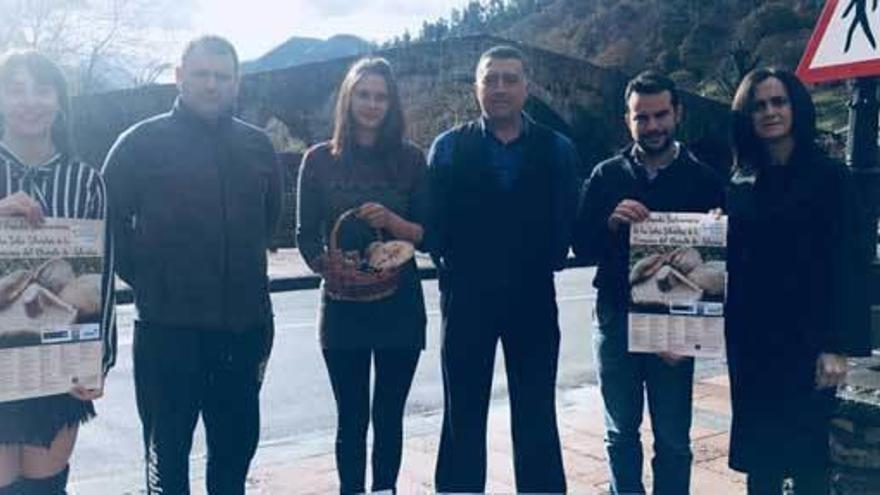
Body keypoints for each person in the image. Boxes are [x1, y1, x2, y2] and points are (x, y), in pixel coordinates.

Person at [102, 36, 281, 494]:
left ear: (236, 82)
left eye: (222, 77)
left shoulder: (259, 147)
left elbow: (268, 224)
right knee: (167, 461)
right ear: (179, 76)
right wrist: (149, 279)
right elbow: (106, 225)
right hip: (168, 332)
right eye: (201, 74)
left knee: (234, 455)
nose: (211, 85)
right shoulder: (139, 143)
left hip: (243, 330)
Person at [427, 45, 579, 493]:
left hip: (532, 293)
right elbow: (435, 227)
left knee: (535, 408)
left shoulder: (557, 150)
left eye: (510, 78)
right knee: (462, 411)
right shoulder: (448, 148)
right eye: (490, 79)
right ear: (476, 86)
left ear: (526, 87)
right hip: (466, 294)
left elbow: (565, 220)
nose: (500, 88)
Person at [573, 71, 724, 495]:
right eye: (643, 117)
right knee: (620, 432)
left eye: (661, 115)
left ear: (677, 113)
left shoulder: (706, 180)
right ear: (628, 121)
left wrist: (692, 332)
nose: (653, 125)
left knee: (674, 439)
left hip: (676, 322)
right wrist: (609, 222)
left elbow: (719, 270)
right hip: (616, 314)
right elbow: (581, 247)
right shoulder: (605, 176)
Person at [726, 68, 870, 495]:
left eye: (778, 102)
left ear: (796, 107)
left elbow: (851, 262)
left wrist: (838, 344)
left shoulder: (830, 177)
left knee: (809, 461)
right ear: (745, 116)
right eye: (759, 105)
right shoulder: (739, 181)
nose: (770, 112)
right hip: (752, 342)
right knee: (761, 459)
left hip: (809, 340)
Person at [296, 57, 428, 494]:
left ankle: (385, 488)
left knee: (388, 415)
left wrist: (392, 221)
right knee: (351, 417)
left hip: (400, 305)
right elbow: (305, 237)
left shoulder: (411, 159)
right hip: (342, 306)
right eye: (363, 95)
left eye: (381, 96)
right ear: (347, 99)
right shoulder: (317, 160)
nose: (372, 104)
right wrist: (329, 268)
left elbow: (429, 235)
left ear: (392, 104)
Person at [0, 50, 116, 495]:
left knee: (45, 489)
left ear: (60, 100)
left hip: (55, 361)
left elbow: (103, 281)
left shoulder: (87, 180)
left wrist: (98, 362)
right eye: (16, 89)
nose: (30, 101)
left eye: (42, 88)